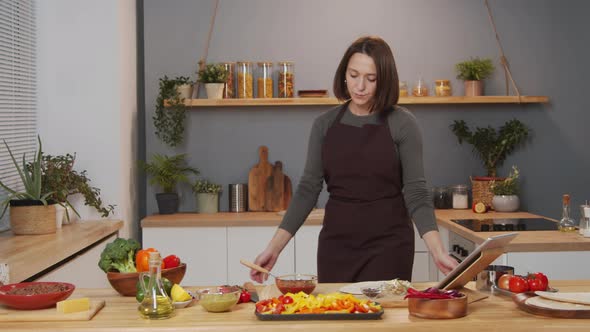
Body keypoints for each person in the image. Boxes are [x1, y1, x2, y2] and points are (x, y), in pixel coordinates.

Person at [249, 36, 458, 283]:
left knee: (383, 318)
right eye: (353, 75)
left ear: (385, 80)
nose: (360, 86)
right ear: (344, 74)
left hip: (389, 245)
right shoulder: (324, 125)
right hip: (337, 245)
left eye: (371, 79)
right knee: (338, 316)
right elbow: (307, 189)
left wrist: (437, 251)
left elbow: (416, 191)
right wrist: (274, 248)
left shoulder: (403, 124)